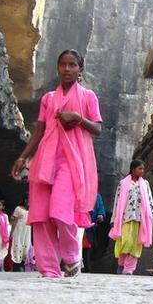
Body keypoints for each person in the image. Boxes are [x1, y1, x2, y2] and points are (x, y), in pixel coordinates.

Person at [11, 49, 102, 278]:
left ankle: (71, 257)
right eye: (63, 64)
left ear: (80, 68)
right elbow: (39, 130)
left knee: (62, 213)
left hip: (73, 161)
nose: (67, 69)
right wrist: (23, 157)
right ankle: (49, 269)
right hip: (45, 159)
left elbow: (98, 129)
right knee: (41, 215)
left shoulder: (88, 96)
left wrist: (79, 118)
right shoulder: (48, 98)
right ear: (58, 67)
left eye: (72, 65)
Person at [110, 160, 153, 275]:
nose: (142, 171)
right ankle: (121, 263)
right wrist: (114, 218)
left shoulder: (145, 184)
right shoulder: (123, 183)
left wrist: (151, 215)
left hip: (140, 218)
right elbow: (117, 201)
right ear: (133, 169)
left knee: (135, 244)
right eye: (140, 169)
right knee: (125, 241)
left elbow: (149, 200)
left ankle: (129, 269)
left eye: (143, 169)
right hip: (125, 217)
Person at [81, 193, 106, 273]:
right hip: (77, 224)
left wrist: (100, 215)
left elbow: (100, 208)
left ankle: (87, 267)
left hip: (90, 226)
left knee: (86, 246)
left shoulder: (96, 196)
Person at [10, 195, 31, 271]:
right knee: (17, 246)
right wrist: (12, 232)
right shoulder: (18, 208)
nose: (28, 201)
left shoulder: (31, 210)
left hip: (27, 231)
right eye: (26, 199)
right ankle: (17, 266)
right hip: (18, 230)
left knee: (26, 247)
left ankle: (22, 264)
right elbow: (14, 221)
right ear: (24, 200)